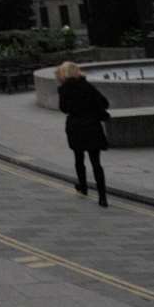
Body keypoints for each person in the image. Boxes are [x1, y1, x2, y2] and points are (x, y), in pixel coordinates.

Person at [56, 61, 111, 207]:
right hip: (92, 126)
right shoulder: (88, 87)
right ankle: (102, 197)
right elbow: (105, 103)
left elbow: (63, 108)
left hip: (76, 127)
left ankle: (83, 186)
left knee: (79, 158)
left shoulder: (64, 89)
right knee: (96, 163)